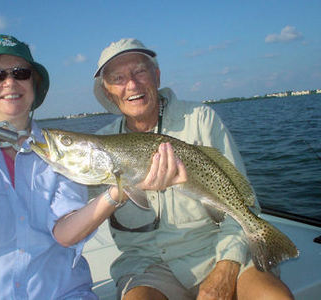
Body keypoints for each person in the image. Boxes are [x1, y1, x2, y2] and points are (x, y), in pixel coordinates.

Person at [0, 35, 185, 300]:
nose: (10, 81)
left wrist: (119, 190)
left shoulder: (61, 149)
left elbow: (65, 232)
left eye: (21, 73)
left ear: (34, 86)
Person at [93, 38, 294, 300]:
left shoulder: (200, 119)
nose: (131, 84)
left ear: (156, 75)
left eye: (139, 71)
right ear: (108, 92)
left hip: (215, 247)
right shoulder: (98, 147)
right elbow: (71, 215)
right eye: (118, 78)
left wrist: (227, 267)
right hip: (147, 265)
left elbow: (244, 202)